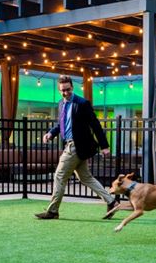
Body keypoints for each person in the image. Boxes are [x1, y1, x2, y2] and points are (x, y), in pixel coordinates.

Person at [35, 75, 119, 220]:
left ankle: (53, 211)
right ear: (59, 90)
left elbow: (95, 125)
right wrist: (51, 133)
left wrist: (104, 146)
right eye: (62, 90)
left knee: (59, 176)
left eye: (67, 90)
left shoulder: (82, 103)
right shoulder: (61, 103)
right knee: (86, 177)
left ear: (72, 88)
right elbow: (61, 124)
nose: (65, 93)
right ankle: (111, 201)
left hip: (75, 146)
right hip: (71, 145)